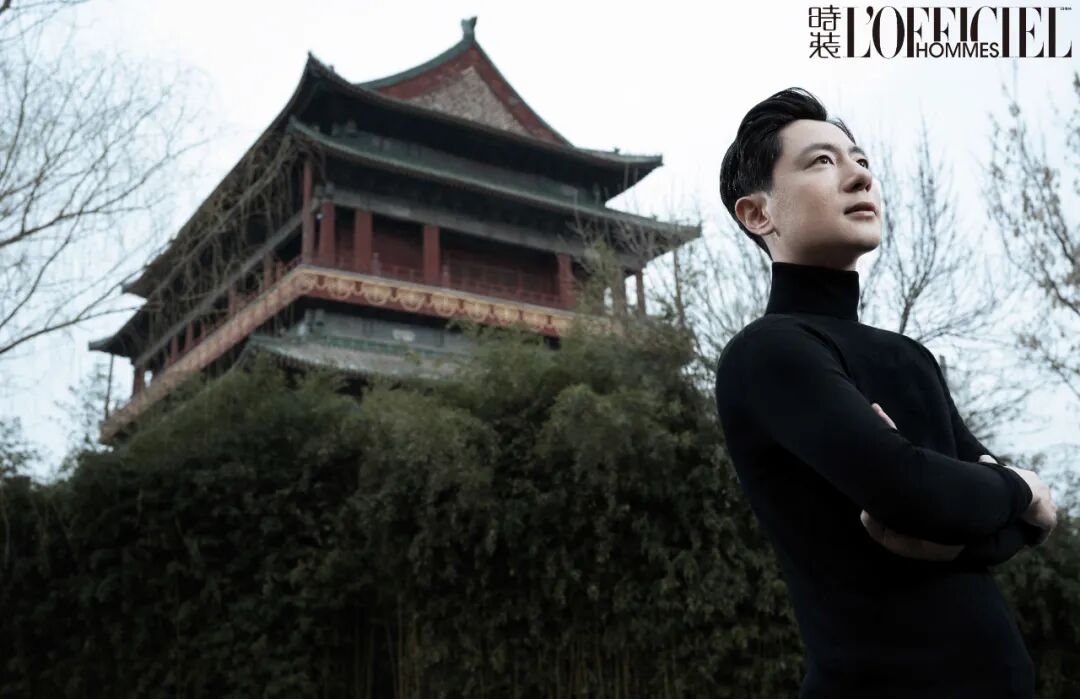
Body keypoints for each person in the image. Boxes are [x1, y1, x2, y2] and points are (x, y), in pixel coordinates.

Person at [713, 87, 1058, 699]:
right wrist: (1024, 489)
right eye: (822, 162)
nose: (858, 177)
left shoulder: (909, 357)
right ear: (758, 214)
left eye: (862, 161)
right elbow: (915, 492)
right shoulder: (768, 353)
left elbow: (986, 521)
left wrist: (975, 515)